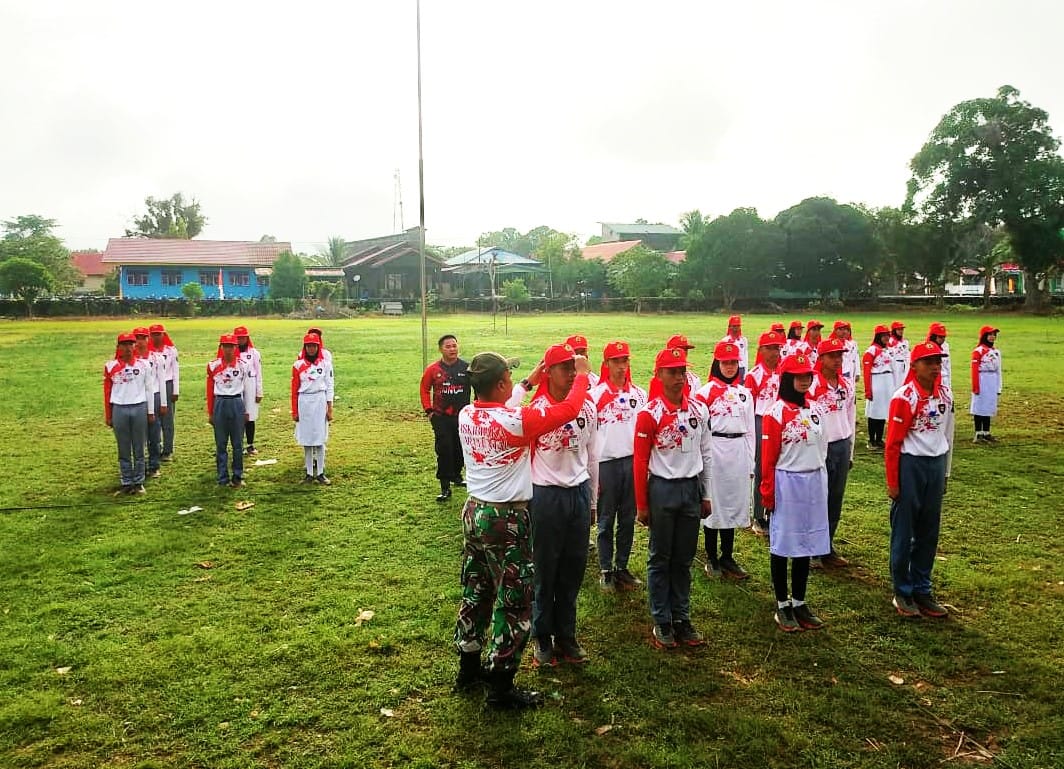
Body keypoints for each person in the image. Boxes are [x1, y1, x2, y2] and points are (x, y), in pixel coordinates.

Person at [453, 350, 591, 709]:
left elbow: (507, 404)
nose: (515, 384)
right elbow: (568, 411)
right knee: (513, 602)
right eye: (509, 379)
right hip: (506, 519)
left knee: (477, 590)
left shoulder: (468, 414)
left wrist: (529, 380)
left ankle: (468, 667)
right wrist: (582, 376)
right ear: (500, 383)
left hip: (474, 512)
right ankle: (501, 686)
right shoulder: (515, 422)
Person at [512, 343, 598, 667]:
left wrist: (592, 499)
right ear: (549, 372)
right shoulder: (536, 410)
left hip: (578, 492)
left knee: (573, 569)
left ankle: (567, 635)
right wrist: (528, 381)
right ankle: (542, 636)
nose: (571, 373)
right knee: (546, 569)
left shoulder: (587, 407)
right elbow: (506, 408)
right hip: (546, 495)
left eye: (573, 367)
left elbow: (593, 455)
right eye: (564, 367)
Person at [634, 347, 712, 650]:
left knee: (683, 557)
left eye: (682, 371)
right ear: (660, 375)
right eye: (672, 372)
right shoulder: (649, 413)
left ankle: (681, 617)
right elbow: (640, 461)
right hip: (663, 490)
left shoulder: (698, 410)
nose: (679, 378)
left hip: (690, 488)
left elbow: (706, 453)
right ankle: (662, 619)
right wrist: (642, 504)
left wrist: (706, 494)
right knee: (660, 556)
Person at [760, 352, 829, 632]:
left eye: (807, 376)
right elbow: (768, 458)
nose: (804, 381)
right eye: (798, 376)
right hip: (787, 482)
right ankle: (782, 604)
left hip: (813, 481)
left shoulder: (815, 409)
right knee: (783, 544)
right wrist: (768, 493)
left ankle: (799, 601)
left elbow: (822, 445)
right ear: (786, 378)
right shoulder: (775, 412)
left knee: (806, 543)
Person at [885, 341, 954, 618]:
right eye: (929, 362)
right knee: (904, 529)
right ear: (914, 366)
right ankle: (902, 590)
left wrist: (946, 472)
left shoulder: (945, 395)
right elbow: (892, 443)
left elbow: (947, 434)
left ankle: (922, 587)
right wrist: (893, 482)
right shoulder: (905, 397)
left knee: (929, 529)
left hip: (935, 464)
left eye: (938, 361)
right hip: (910, 464)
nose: (935, 367)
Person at [694, 340, 755, 580]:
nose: (729, 367)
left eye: (733, 363)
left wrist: (751, 461)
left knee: (732, 503)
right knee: (715, 503)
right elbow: (699, 430)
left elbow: (750, 429)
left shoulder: (745, 394)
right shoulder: (705, 393)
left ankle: (727, 555)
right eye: (725, 363)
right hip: (715, 448)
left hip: (738, 449)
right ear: (717, 363)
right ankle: (711, 556)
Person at [590, 340, 647, 592]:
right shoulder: (596, 396)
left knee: (627, 518)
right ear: (606, 364)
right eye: (616, 361)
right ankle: (605, 569)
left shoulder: (639, 394)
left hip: (632, 462)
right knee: (605, 519)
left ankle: (622, 567)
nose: (622, 366)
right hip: (606, 465)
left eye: (625, 361)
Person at [808, 337, 856, 568]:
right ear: (821, 358)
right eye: (832, 356)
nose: (838, 360)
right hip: (820, 448)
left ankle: (827, 546)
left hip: (841, 445)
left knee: (835, 498)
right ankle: (812, 548)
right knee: (818, 497)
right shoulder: (813, 385)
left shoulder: (845, 385)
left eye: (840, 355)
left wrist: (851, 451)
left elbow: (850, 416)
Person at [420, 334, 471, 502]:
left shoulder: (466, 368)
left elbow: (479, 386)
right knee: (444, 449)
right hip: (441, 417)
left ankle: (457, 476)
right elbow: (425, 389)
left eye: (454, 346)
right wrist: (429, 411)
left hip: (462, 417)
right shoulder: (433, 369)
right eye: (448, 346)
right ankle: (445, 487)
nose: (452, 349)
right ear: (441, 349)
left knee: (460, 448)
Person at [104, 332, 155, 494]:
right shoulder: (111, 366)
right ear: (118, 347)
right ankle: (126, 481)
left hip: (139, 406)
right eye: (124, 345)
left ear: (135, 346)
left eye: (130, 344)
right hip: (119, 407)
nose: (127, 348)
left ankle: (139, 481)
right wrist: (109, 415)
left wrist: (150, 411)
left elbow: (149, 388)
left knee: (139, 446)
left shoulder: (144, 365)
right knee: (123, 447)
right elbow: (107, 391)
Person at [744, 331, 784, 536]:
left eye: (777, 348)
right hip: (760, 421)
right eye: (770, 348)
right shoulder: (754, 375)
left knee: (778, 466)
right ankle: (758, 515)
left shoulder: (783, 372)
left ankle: (773, 510)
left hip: (780, 422)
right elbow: (748, 407)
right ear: (761, 350)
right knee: (761, 468)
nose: (775, 352)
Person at [207, 334, 254, 487]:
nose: (228, 349)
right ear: (221, 347)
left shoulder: (243, 365)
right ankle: (222, 476)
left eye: (231, 346)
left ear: (235, 348)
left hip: (236, 402)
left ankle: (238, 475)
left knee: (238, 443)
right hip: (220, 402)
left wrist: (248, 411)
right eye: (225, 346)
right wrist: (211, 412)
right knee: (221, 443)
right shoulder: (213, 366)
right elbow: (209, 390)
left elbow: (247, 389)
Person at [292, 333, 334, 484]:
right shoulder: (298, 365)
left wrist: (330, 408)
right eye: (308, 346)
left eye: (314, 346)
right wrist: (295, 411)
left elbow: (330, 386)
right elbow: (294, 389)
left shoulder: (325, 364)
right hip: (305, 401)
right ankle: (309, 473)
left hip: (320, 400)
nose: (311, 349)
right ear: (305, 347)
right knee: (307, 439)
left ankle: (321, 472)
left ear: (318, 347)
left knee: (320, 438)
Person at [133, 327, 167, 478]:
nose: (140, 341)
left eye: (143, 337)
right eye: (137, 338)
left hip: (155, 395)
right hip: (137, 399)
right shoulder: (130, 359)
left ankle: (154, 465)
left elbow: (161, 380)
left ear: (148, 339)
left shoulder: (156, 358)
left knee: (154, 433)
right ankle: (140, 465)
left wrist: (164, 402)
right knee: (138, 434)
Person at [149, 323, 179, 462]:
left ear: (163, 334)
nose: (156, 337)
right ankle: (156, 447)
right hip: (153, 387)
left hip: (168, 385)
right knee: (154, 418)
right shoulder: (148, 352)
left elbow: (175, 371)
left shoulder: (171, 350)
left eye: (158, 334)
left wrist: (175, 390)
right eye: (153, 334)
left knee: (168, 419)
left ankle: (168, 449)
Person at [862, 325, 893, 450]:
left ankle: (879, 439)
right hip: (876, 381)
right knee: (874, 412)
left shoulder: (887, 350)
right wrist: (868, 389)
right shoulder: (872, 350)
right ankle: (872, 439)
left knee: (883, 412)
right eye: (883, 335)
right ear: (878, 336)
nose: (886, 338)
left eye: (887, 335)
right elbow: (867, 371)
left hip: (886, 381)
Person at [234, 325, 264, 456]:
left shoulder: (254, 353)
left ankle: (250, 444)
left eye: (243, 337)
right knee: (237, 416)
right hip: (236, 385)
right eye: (238, 338)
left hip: (250, 384)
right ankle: (238, 444)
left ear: (247, 338)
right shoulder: (232, 352)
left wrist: (259, 391)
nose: (240, 340)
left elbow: (259, 373)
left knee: (250, 416)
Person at [970, 326, 1002, 443]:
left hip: (992, 381)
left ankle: (986, 432)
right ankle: (978, 432)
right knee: (979, 407)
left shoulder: (996, 352)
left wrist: (999, 386)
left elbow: (999, 370)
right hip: (982, 379)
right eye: (990, 334)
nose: (993, 337)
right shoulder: (978, 351)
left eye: (994, 335)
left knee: (988, 407)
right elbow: (974, 370)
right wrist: (975, 386)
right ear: (984, 336)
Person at [830, 320, 860, 390]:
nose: (843, 332)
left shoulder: (851, 344)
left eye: (845, 329)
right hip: (835, 373)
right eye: (840, 329)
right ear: (835, 330)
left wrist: (857, 373)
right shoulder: (830, 343)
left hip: (848, 373)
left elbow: (856, 359)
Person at [720, 315, 749, 380]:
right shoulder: (725, 341)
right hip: (729, 368)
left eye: (738, 326)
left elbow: (745, 356)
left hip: (741, 369)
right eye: (734, 326)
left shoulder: (744, 340)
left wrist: (746, 372)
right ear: (730, 327)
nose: (736, 328)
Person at [926, 322, 952, 388]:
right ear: (933, 336)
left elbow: (948, 367)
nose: (942, 339)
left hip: (944, 380)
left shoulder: (946, 346)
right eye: (940, 337)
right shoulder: (927, 347)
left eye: (944, 337)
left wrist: (949, 384)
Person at [888, 321, 910, 391]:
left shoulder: (905, 341)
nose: (901, 331)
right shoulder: (890, 341)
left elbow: (908, 354)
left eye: (902, 329)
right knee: (895, 385)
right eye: (899, 329)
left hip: (904, 364)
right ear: (894, 330)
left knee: (904, 384)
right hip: (895, 365)